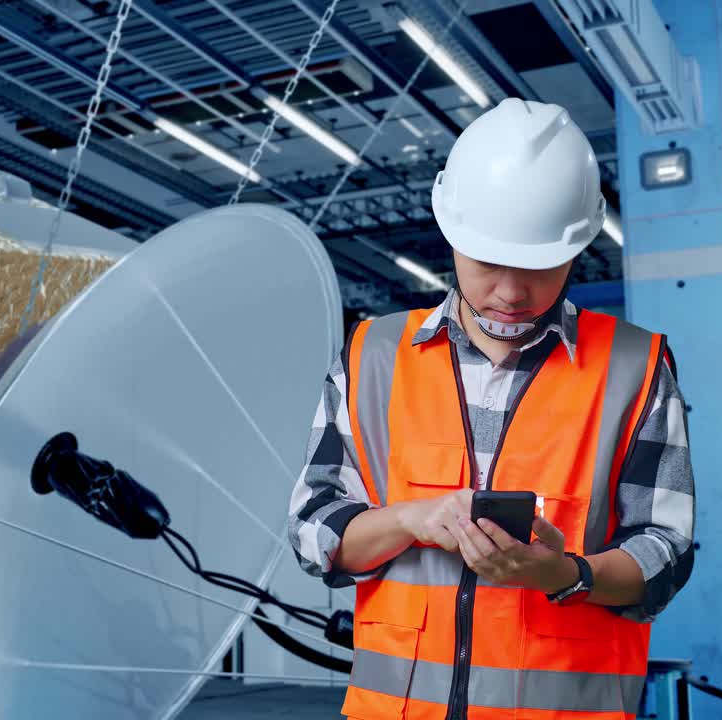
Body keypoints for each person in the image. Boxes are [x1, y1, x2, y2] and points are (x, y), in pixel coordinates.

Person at [287, 98, 695, 720]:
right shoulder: (372, 355)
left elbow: (665, 552)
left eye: (537, 265)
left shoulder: (634, 369)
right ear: (451, 235)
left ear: (576, 248)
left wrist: (566, 574)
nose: (510, 292)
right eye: (487, 262)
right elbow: (314, 530)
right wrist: (411, 521)